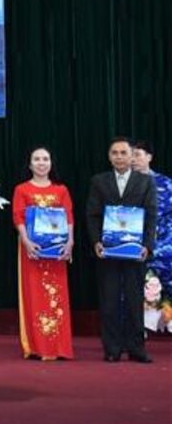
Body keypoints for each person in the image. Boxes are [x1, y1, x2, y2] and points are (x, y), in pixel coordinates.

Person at [87, 137, 158, 363]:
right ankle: (112, 349)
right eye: (115, 153)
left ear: (131, 155)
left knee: (134, 300)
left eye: (123, 153)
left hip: (135, 251)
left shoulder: (145, 182)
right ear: (109, 157)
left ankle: (137, 348)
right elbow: (92, 215)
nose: (119, 157)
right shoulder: (99, 181)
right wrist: (96, 241)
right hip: (107, 251)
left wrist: (147, 245)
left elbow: (151, 216)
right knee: (109, 301)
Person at [10, 146, 75, 361]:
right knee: (34, 296)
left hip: (57, 252)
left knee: (57, 297)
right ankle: (37, 347)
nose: (41, 163)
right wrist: (26, 241)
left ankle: (59, 347)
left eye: (45, 159)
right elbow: (18, 217)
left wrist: (70, 242)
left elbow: (68, 217)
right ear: (30, 165)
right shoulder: (22, 189)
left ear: (51, 163)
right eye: (36, 159)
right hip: (32, 251)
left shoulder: (61, 190)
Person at [132, 141, 172, 300]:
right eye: (131, 155)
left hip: (163, 248)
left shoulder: (166, 183)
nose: (133, 159)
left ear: (149, 157)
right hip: (134, 248)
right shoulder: (122, 184)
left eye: (137, 155)